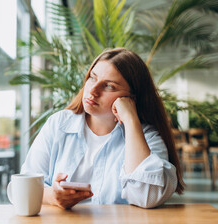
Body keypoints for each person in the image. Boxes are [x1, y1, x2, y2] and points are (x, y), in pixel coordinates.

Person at [21, 48, 184, 209]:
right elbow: (22, 188)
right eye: (92, 78)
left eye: (109, 86)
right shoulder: (58, 125)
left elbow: (147, 197)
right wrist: (52, 196)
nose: (93, 90)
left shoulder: (147, 137)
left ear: (131, 99)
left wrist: (130, 119)